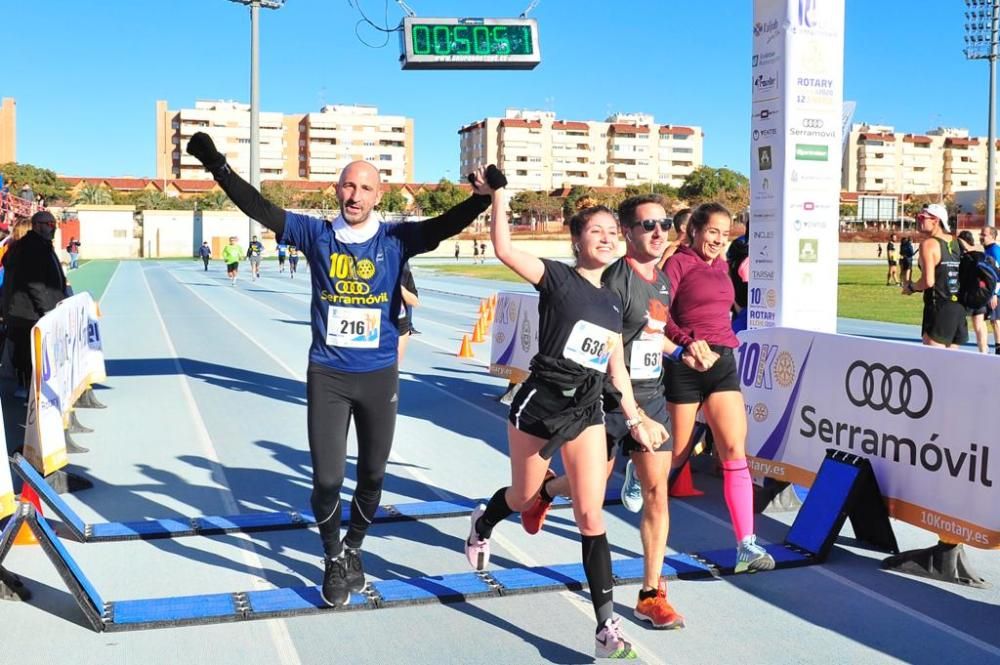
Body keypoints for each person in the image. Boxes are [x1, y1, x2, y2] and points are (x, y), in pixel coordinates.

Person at [186, 131, 503, 607]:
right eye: (347, 187)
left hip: (379, 376)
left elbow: (442, 226)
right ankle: (332, 556)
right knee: (327, 479)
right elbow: (260, 208)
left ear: (379, 196)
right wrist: (218, 166)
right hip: (329, 375)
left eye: (365, 189)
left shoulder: (397, 239)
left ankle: (354, 545)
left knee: (373, 476)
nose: (354, 196)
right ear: (337, 190)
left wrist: (479, 200)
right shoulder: (316, 234)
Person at [465, 200, 664, 660]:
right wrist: (498, 197)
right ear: (577, 239)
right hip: (540, 405)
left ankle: (604, 626)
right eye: (596, 231)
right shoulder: (556, 277)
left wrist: (636, 420)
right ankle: (485, 520)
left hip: (586, 411)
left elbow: (617, 369)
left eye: (613, 231)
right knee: (523, 496)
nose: (607, 237)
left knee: (591, 515)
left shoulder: (615, 300)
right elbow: (502, 247)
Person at [518, 195, 715, 633]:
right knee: (596, 483)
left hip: (653, 395)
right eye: (648, 225)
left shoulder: (662, 281)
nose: (659, 232)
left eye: (664, 224)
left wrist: (682, 352)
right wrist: (629, 410)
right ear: (627, 232)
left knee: (656, 492)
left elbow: (654, 335)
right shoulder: (612, 281)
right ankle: (549, 491)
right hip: (606, 398)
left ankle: (650, 593)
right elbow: (606, 349)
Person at [664, 202, 777, 574]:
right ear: (694, 229)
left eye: (724, 234)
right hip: (686, 362)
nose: (718, 239)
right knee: (676, 454)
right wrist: (685, 344)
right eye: (712, 231)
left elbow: (724, 309)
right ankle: (644, 469)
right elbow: (657, 314)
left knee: (733, 449)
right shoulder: (677, 262)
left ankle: (746, 544)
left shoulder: (721, 267)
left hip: (722, 361)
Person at [1, 211, 67, 399]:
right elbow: (35, 283)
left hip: (29, 311)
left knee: (29, 351)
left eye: (54, 224)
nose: (53, 228)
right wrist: (47, 308)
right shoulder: (31, 247)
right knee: (28, 352)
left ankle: (30, 387)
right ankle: (29, 389)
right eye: (49, 224)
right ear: (37, 225)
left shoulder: (42, 246)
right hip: (28, 313)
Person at [902, 204, 966, 348]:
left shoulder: (929, 244)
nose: (919, 220)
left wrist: (911, 287)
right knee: (951, 363)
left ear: (936, 220)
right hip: (958, 308)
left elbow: (928, 281)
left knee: (934, 364)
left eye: (922, 217)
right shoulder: (958, 242)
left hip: (938, 308)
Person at [980, 226, 1000, 355]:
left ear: (992, 236)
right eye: (981, 234)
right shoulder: (987, 250)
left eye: (984, 235)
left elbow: (998, 273)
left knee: (996, 320)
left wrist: (995, 293)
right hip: (989, 291)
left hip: (996, 292)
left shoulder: (994, 251)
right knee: (992, 321)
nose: (981, 236)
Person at [396, 261, 420, 361]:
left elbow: (415, 302)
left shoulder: (403, 268)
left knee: (392, 368)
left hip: (399, 326)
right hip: (373, 325)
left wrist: (400, 289)